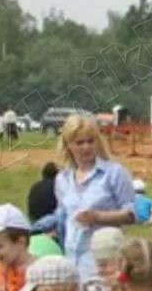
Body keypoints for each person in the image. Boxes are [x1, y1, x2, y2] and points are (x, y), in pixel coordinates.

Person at [35, 114, 136, 279]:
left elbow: (131, 214)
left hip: (103, 261)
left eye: (90, 141)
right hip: (72, 259)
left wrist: (98, 217)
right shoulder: (63, 179)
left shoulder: (114, 173)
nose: (86, 147)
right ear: (68, 146)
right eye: (79, 143)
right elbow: (62, 215)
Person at [83, 227, 124, 291]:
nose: (109, 269)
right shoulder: (91, 286)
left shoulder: (133, 283)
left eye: (116, 264)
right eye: (102, 265)